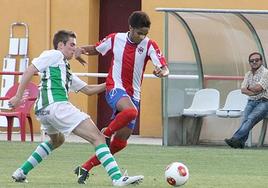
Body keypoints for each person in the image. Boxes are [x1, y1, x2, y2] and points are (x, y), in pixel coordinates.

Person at [9, 30, 143, 186]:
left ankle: (21, 172)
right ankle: (117, 178)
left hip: (44, 111)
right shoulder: (55, 55)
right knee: (98, 138)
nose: (74, 49)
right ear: (61, 45)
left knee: (57, 140)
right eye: (72, 45)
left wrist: (113, 83)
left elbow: (88, 90)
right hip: (56, 106)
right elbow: (30, 70)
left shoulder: (63, 69)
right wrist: (18, 96)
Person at [74, 11, 169, 184]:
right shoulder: (115, 38)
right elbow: (96, 48)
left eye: (145, 34)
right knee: (131, 112)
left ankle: (85, 167)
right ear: (130, 28)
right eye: (139, 32)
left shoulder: (149, 45)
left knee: (120, 142)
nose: (142, 37)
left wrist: (161, 72)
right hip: (114, 87)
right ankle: (106, 133)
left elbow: (164, 67)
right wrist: (81, 49)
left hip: (134, 94)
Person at [225, 52, 268, 148]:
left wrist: (250, 87)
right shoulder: (248, 74)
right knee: (244, 120)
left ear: (261, 61)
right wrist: (253, 91)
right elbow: (243, 90)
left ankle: (235, 138)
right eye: (251, 61)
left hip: (264, 102)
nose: (254, 62)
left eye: (257, 60)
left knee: (250, 119)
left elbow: (259, 88)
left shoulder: (266, 73)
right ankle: (240, 143)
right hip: (251, 101)